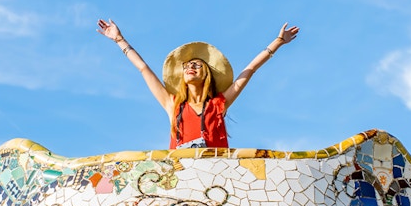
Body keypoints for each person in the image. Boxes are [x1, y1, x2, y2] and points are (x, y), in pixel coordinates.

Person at [97, 18, 299, 149]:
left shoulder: (219, 103)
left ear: (207, 75)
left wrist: (278, 42)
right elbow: (143, 69)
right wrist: (119, 40)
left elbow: (250, 70)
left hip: (217, 173)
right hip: (182, 174)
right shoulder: (173, 104)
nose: (190, 67)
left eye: (197, 65)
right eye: (186, 66)